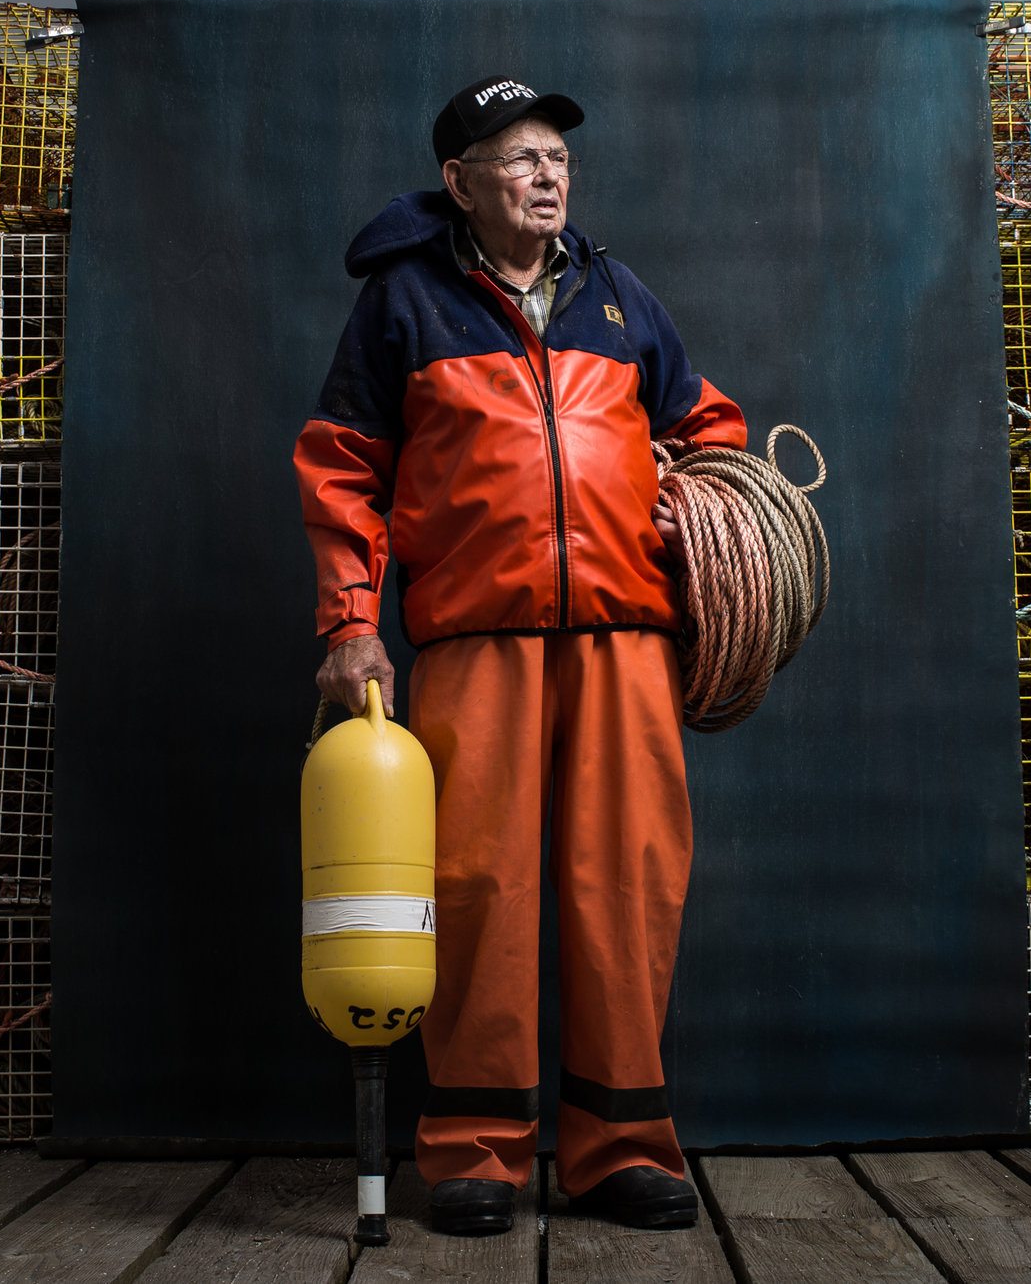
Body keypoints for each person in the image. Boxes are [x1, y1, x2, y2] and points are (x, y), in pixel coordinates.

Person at [293, 76, 745, 1237]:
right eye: (518, 158)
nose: (547, 176)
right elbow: (343, 467)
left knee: (628, 885)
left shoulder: (617, 294)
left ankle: (620, 1145)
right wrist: (351, 622)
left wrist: (692, 504)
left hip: (625, 641)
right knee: (477, 887)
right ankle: (477, 1149)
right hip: (472, 641)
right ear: (460, 183)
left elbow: (709, 430)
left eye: (557, 158)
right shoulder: (405, 302)